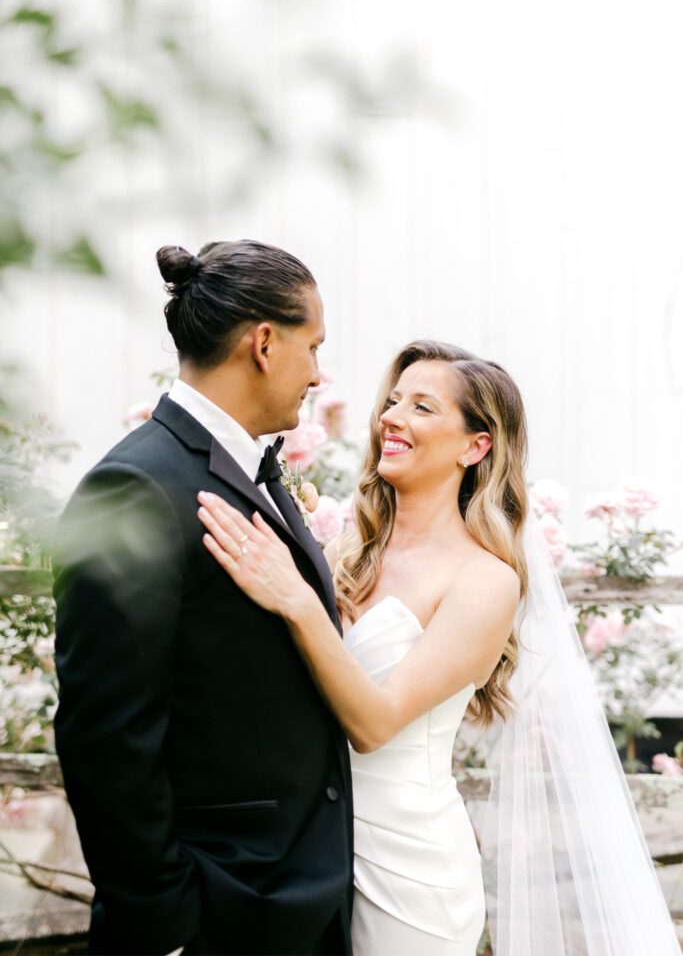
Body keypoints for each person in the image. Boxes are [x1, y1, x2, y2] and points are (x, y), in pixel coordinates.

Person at [197, 339, 681, 956]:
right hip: (303, 848)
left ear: (475, 447)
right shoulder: (347, 551)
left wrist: (294, 598)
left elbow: (374, 725)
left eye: (423, 408)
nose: (391, 418)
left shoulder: (485, 581)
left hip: (407, 867)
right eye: (393, 402)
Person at [53, 240, 353, 956]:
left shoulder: (249, 467)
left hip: (294, 900)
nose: (317, 374)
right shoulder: (137, 488)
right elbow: (105, 739)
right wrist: (165, 925)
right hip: (215, 913)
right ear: (263, 343)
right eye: (312, 347)